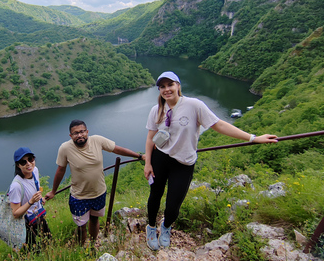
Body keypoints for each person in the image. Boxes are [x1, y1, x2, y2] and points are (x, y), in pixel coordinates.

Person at [144, 71, 278, 251]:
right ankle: (151, 228)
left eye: (170, 85)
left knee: (173, 204)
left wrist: (252, 138)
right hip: (160, 158)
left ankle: (166, 227)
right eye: (162, 87)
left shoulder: (194, 105)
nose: (167, 90)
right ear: (159, 90)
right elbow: (150, 138)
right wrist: (148, 162)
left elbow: (218, 124)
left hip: (183, 163)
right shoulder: (157, 110)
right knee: (155, 196)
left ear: (178, 86)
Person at [45, 119, 144, 246]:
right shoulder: (65, 148)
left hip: (99, 192)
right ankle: (81, 248)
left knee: (94, 219)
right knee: (81, 226)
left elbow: (117, 149)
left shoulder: (97, 140)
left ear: (87, 132)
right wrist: (53, 191)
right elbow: (60, 170)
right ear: (71, 136)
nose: (79, 135)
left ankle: (92, 245)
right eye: (75, 133)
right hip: (79, 196)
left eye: (82, 131)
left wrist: (139, 156)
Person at [9, 147, 51, 249]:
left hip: (39, 216)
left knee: (48, 243)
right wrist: (31, 201)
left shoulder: (35, 171)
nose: (28, 164)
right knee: (35, 251)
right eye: (23, 162)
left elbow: (35, 188)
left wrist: (40, 199)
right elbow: (15, 213)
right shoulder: (16, 186)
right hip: (27, 224)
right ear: (18, 165)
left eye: (30, 159)